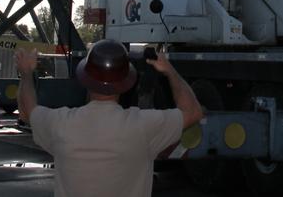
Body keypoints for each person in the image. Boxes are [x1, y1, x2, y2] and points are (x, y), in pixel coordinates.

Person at [15, 39, 203, 197]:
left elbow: (27, 111)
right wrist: (170, 70)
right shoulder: (143, 126)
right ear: (126, 82)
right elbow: (193, 112)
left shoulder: (61, 123)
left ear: (85, 78)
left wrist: (26, 73)